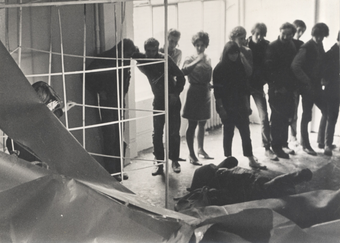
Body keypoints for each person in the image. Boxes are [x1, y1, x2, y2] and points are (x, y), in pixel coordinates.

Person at [85, 38, 137, 181]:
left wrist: (124, 91)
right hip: (107, 102)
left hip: (120, 101)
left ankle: (119, 169)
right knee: (110, 137)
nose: (128, 58)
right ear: (119, 50)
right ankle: (111, 172)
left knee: (120, 136)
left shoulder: (126, 58)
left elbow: (127, 75)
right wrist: (99, 90)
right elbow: (88, 74)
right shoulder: (104, 58)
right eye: (126, 54)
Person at [132, 38, 186, 175]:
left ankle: (174, 160)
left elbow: (181, 76)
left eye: (153, 51)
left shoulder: (165, 59)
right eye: (148, 51)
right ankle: (159, 162)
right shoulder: (144, 60)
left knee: (173, 132)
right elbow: (133, 53)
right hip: (158, 101)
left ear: (158, 50)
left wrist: (175, 93)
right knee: (157, 133)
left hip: (172, 100)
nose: (150, 53)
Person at [213, 41, 266, 169]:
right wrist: (221, 109)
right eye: (231, 53)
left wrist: (247, 105)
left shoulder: (240, 66)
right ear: (226, 54)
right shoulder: (219, 68)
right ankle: (228, 160)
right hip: (226, 105)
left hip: (240, 104)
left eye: (236, 53)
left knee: (245, 133)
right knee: (228, 133)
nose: (234, 56)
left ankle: (251, 159)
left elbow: (245, 88)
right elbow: (218, 92)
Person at [187, 156, 313, 206]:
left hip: (245, 180)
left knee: (265, 187)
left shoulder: (215, 178)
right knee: (265, 186)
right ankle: (296, 176)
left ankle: (296, 176)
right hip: (245, 179)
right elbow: (231, 161)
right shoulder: (216, 178)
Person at [6, 81, 75, 164]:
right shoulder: (27, 118)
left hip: (34, 155)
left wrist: (63, 110)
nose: (51, 108)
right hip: (26, 155)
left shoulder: (39, 116)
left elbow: (49, 117)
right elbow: (11, 140)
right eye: (49, 106)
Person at [291, 23, 329, 155]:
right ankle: (305, 144)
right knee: (306, 115)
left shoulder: (320, 45)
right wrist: (306, 80)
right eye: (318, 36)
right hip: (307, 87)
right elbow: (295, 66)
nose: (320, 39)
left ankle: (321, 140)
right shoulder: (306, 47)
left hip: (317, 86)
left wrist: (323, 77)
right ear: (313, 34)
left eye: (322, 37)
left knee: (327, 110)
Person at [265, 22, 298, 159]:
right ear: (279, 31)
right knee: (277, 118)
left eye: (289, 34)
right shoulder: (272, 46)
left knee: (286, 117)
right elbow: (268, 70)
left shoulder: (292, 45)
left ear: (292, 35)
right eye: (283, 34)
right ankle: (276, 147)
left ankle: (284, 144)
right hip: (276, 89)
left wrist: (290, 87)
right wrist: (278, 87)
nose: (286, 37)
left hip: (289, 88)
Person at [246, 23, 277, 161]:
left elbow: (269, 65)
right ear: (252, 32)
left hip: (258, 86)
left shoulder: (266, 45)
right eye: (256, 34)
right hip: (245, 86)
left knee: (264, 117)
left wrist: (265, 79)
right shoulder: (244, 44)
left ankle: (267, 148)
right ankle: (247, 152)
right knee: (243, 118)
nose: (259, 37)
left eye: (261, 34)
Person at [182, 31, 213, 166]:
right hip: (194, 91)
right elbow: (183, 71)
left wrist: (210, 84)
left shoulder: (208, 58)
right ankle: (191, 153)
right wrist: (197, 60)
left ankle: (200, 149)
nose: (200, 48)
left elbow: (208, 73)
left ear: (206, 45)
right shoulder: (190, 57)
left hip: (205, 91)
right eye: (197, 45)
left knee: (202, 123)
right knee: (192, 124)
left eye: (202, 45)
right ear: (194, 45)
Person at [317, 31, 340, 156]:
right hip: (332, 89)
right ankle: (327, 145)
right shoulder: (331, 54)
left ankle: (321, 141)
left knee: (328, 115)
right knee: (331, 116)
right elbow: (324, 74)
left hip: (336, 88)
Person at [290, 20, 307, 146]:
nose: (300, 33)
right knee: (287, 112)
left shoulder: (302, 44)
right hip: (288, 82)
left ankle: (293, 136)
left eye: (302, 31)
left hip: (297, 83)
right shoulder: (287, 43)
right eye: (298, 30)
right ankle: (287, 138)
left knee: (295, 111)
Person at [229, 26, 253, 115]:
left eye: (244, 38)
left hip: (243, 89)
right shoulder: (227, 50)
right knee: (229, 118)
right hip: (230, 88)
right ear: (233, 38)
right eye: (240, 38)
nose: (243, 41)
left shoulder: (247, 51)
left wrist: (242, 56)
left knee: (244, 117)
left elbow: (249, 72)